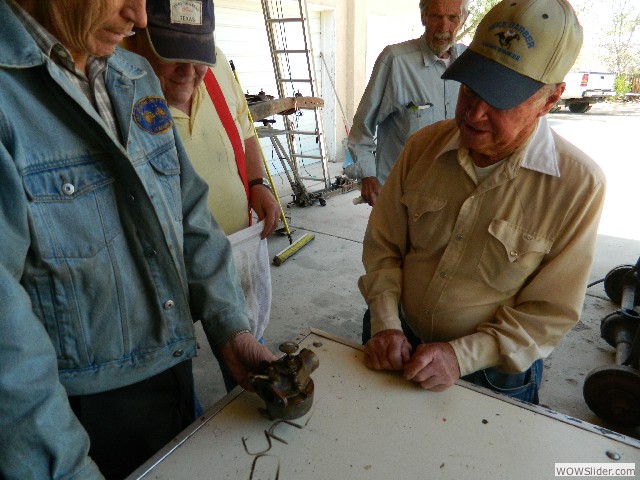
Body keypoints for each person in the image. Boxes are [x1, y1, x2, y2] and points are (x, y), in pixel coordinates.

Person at [0, 0, 276, 479]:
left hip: (170, 367)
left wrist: (230, 329)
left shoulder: (132, 75)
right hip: (74, 408)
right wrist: (61, 467)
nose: (141, 16)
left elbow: (188, 211)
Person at [359, 0, 606, 405]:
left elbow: (548, 313)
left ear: (550, 99)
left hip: (493, 375)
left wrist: (461, 356)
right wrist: (386, 322)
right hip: (395, 337)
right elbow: (384, 246)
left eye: (501, 99)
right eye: (470, 88)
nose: (473, 113)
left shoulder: (578, 186)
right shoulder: (422, 146)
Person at [125, 0, 281, 393]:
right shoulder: (116, 81)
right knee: (170, 380)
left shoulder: (215, 63)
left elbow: (245, 127)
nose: (191, 73)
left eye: (199, 58)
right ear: (141, 35)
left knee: (243, 350)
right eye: (174, 57)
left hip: (234, 246)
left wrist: (258, 184)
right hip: (162, 265)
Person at [346, 0, 469, 206]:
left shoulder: (470, 63)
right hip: (402, 196)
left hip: (452, 194)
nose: (444, 27)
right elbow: (362, 128)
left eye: (452, 18)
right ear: (423, 17)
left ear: (464, 19)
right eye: (436, 16)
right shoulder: (396, 60)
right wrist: (368, 175)